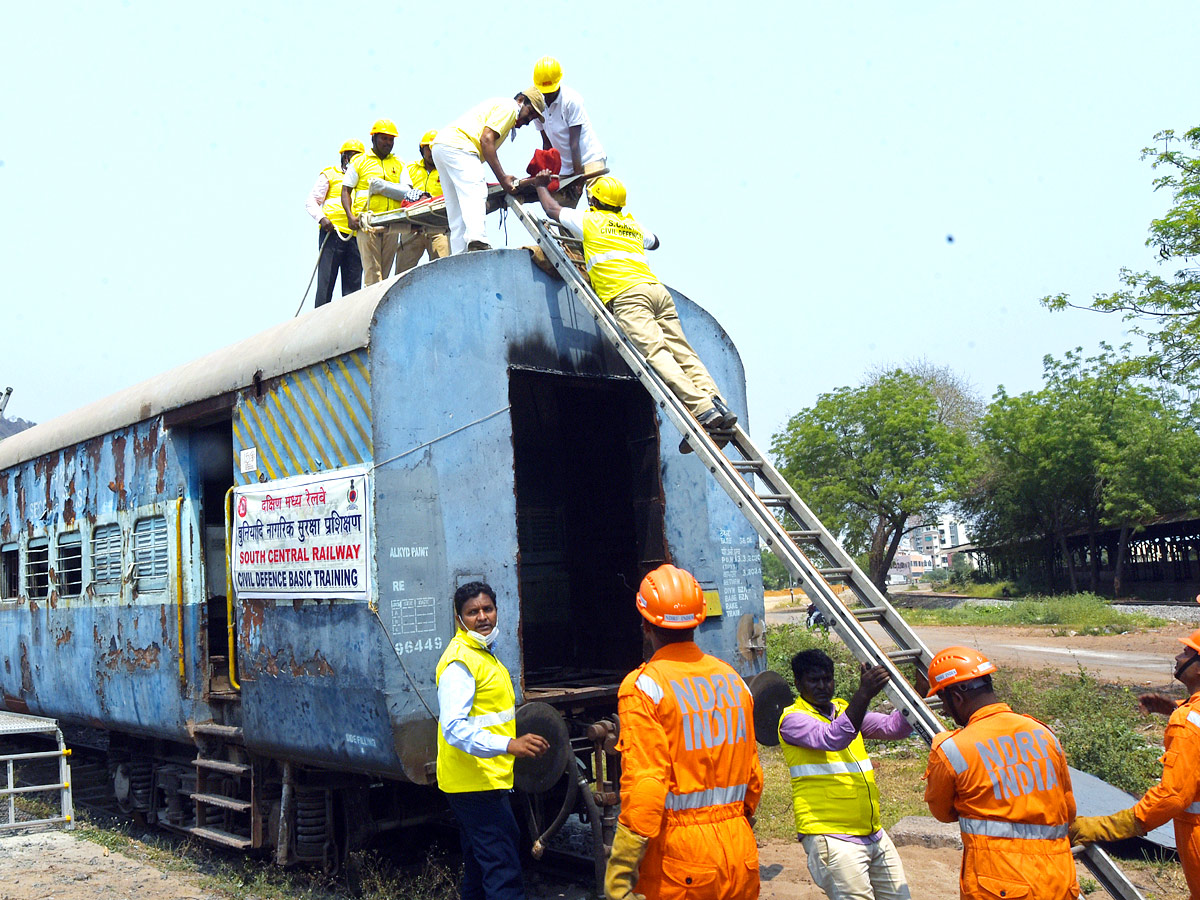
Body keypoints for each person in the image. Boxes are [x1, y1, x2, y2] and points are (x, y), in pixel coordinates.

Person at [533, 174, 737, 438]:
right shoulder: (632, 225)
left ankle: (703, 409)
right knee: (683, 352)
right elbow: (656, 241)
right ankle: (715, 400)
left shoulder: (589, 221)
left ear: (594, 199)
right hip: (657, 292)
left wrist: (539, 185)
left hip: (627, 296)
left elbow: (551, 209)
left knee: (657, 353)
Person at [605, 564, 762, 900]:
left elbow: (647, 782)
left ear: (646, 624)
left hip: (682, 859)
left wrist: (621, 866)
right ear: (699, 620)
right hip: (740, 847)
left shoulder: (644, 687)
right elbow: (753, 778)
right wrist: (733, 820)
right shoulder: (733, 680)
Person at [923, 646, 1079, 900]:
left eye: (943, 701)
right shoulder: (1044, 734)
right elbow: (1068, 809)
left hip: (999, 886)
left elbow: (942, 812)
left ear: (957, 698)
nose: (945, 710)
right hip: (1058, 881)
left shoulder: (954, 749)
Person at [435, 581, 550, 900]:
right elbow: (454, 728)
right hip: (474, 783)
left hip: (482, 779)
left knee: (477, 868)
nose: (482, 617)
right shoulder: (461, 662)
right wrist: (509, 745)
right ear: (459, 619)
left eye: (488, 609)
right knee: (503, 872)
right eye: (472, 612)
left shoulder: (484, 655)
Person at [1071, 628, 1200, 897]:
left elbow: (1172, 796)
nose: (1178, 657)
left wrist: (1104, 827)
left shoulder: (1188, 723)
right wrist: (1178, 707)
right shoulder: (1188, 715)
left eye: (1187, 652)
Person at [779, 650, 913, 899]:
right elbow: (833, 737)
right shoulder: (793, 720)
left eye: (827, 679)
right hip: (831, 836)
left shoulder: (843, 709)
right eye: (813, 680)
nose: (822, 686)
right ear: (798, 683)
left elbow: (893, 727)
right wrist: (863, 693)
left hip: (873, 833)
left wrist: (918, 694)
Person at [431, 90, 546, 254]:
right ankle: (477, 240)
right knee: (475, 188)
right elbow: (486, 140)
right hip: (460, 145)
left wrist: (503, 177)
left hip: (442, 145)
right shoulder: (510, 108)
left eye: (532, 119)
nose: (528, 121)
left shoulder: (503, 108)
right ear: (521, 100)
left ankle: (460, 253)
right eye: (530, 114)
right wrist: (503, 178)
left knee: (456, 205)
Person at [341, 119, 417, 285]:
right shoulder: (360, 161)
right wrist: (350, 216)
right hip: (369, 223)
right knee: (373, 273)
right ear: (373, 138)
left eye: (391, 139)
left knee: (385, 273)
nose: (388, 143)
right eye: (384, 138)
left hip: (392, 222)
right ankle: (371, 308)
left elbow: (408, 191)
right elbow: (346, 190)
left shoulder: (399, 163)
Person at [531, 56, 606, 205]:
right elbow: (546, 143)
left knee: (599, 204)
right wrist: (550, 175)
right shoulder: (537, 106)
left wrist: (577, 178)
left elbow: (574, 143)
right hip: (564, 167)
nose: (547, 95)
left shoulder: (571, 100)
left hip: (589, 159)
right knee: (561, 214)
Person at [305, 139, 364, 307]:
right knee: (326, 281)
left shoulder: (362, 178)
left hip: (355, 235)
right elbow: (311, 201)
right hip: (332, 234)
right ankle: (319, 321)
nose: (354, 161)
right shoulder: (330, 174)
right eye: (352, 156)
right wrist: (323, 219)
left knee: (353, 285)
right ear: (344, 157)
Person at [392, 129, 450, 272]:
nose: (432, 152)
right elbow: (404, 191)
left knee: (443, 269)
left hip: (439, 227)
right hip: (413, 226)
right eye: (428, 148)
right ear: (422, 150)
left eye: (435, 148)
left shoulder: (448, 169)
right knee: (401, 274)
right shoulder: (410, 168)